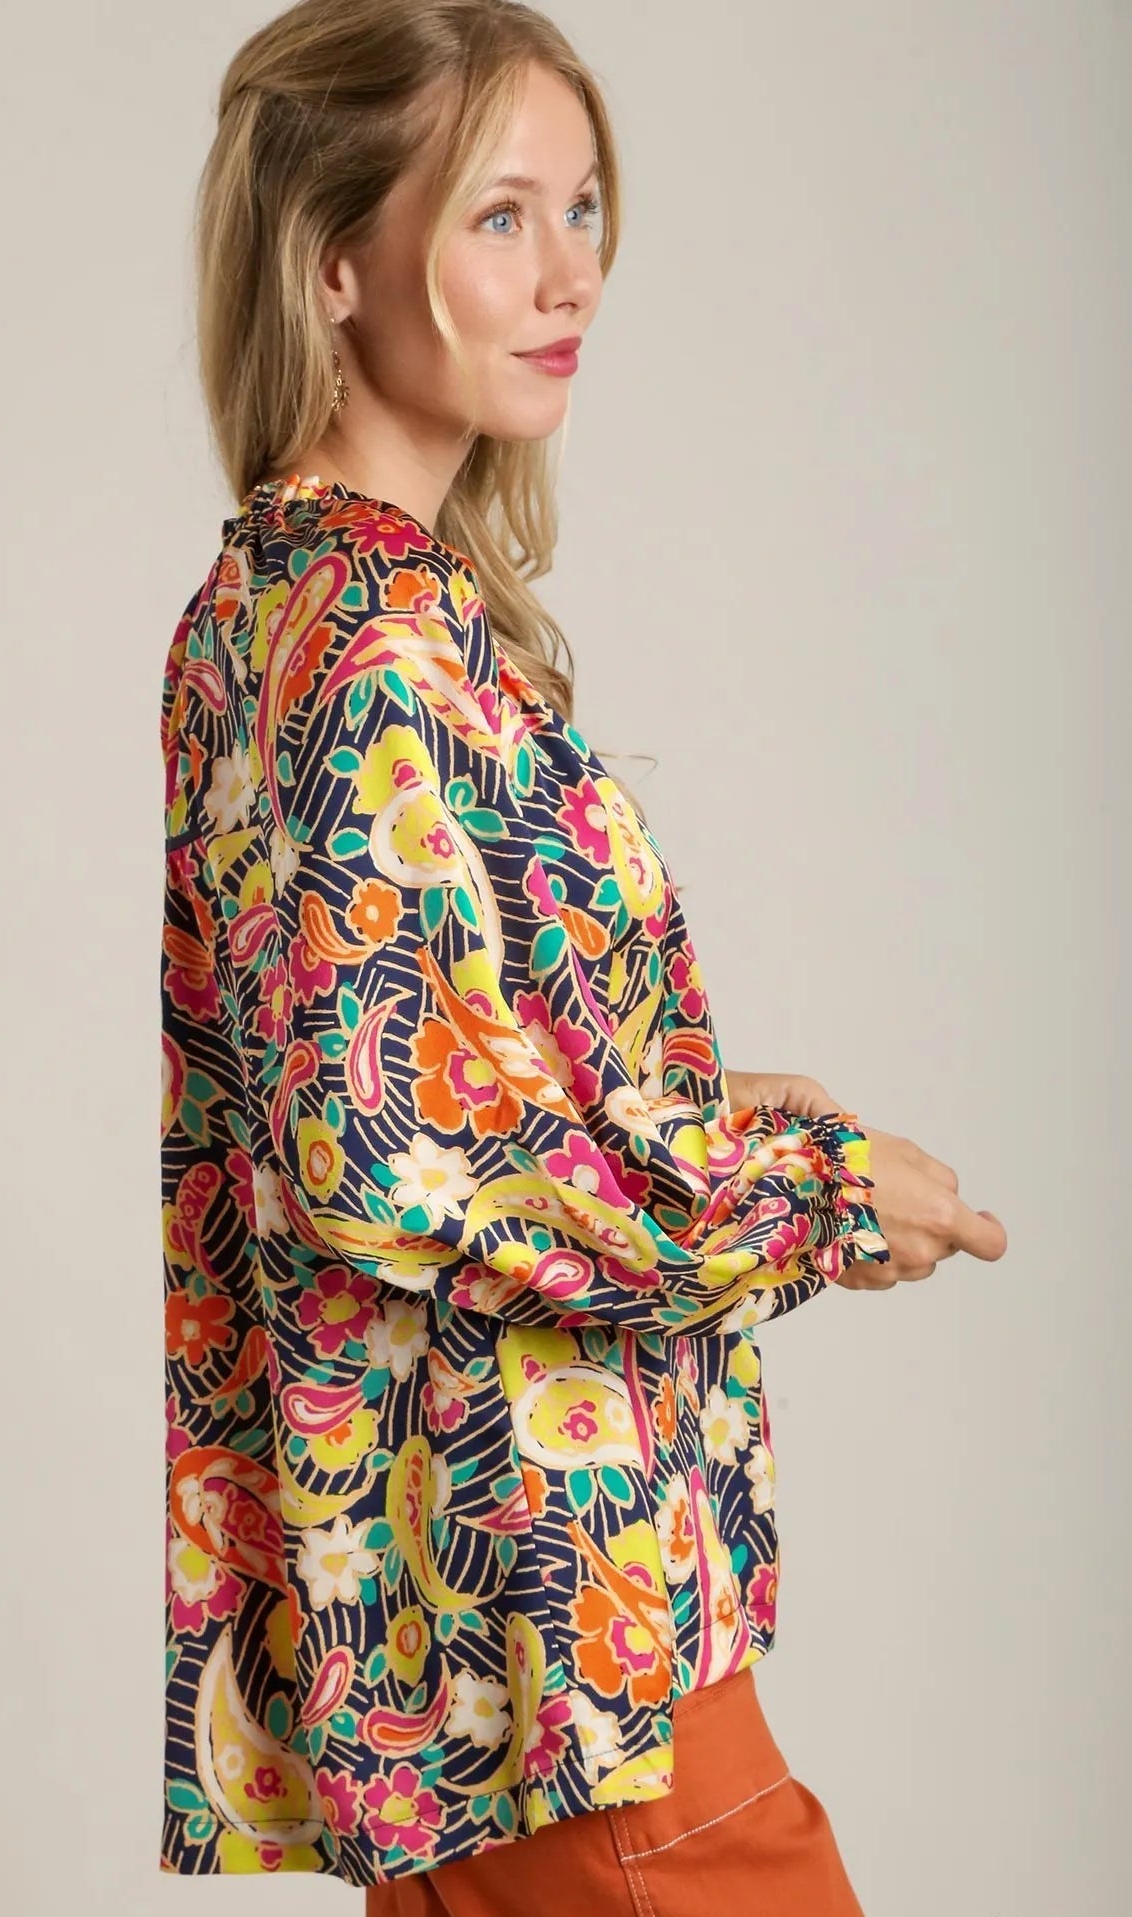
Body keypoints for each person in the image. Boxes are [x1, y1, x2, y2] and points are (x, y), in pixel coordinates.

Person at [158, 1, 1009, 1906]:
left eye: (586, 208)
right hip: (560, 1654)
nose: (571, 279)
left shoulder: (275, 607)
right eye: (498, 218)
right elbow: (388, 1164)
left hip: (447, 1647)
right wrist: (813, 1191)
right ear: (333, 263)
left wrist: (692, 1108)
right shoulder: (369, 653)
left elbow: (429, 1073)